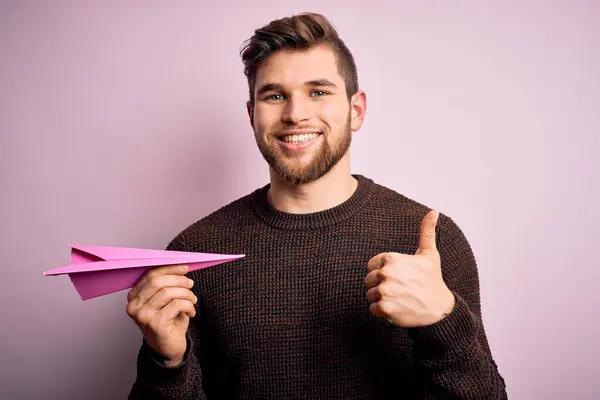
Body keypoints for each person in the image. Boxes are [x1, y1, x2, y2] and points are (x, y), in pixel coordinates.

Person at [126, 12, 507, 399]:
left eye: (318, 92)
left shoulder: (431, 242)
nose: (295, 114)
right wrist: (166, 363)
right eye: (275, 95)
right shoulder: (193, 254)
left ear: (356, 110)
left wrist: (442, 321)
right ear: (251, 114)